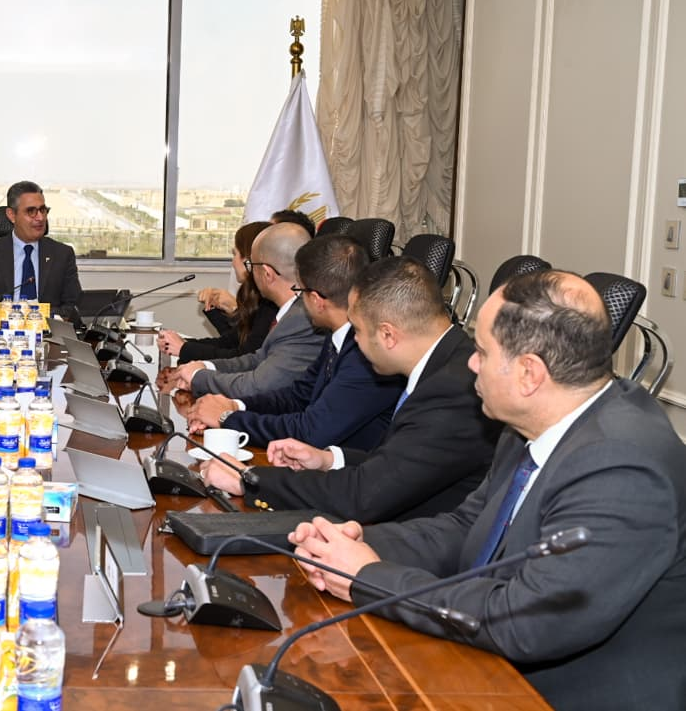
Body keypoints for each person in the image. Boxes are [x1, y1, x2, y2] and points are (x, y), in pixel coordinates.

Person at [287, 270, 686, 710]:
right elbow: (467, 527)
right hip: (490, 662)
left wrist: (367, 577)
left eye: (481, 351)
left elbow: (528, 621)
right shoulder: (531, 424)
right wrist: (351, 544)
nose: (471, 364)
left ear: (529, 374)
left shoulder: (621, 467)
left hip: (558, 694)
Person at [201, 257, 500, 521]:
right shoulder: (445, 361)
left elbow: (364, 495)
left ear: (388, 335)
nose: (353, 341)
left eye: (356, 330)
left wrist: (250, 480)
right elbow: (397, 463)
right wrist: (329, 459)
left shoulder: (452, 391)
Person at [187, 235, 403, 451]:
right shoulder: (337, 335)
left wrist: (227, 418)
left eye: (300, 291)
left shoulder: (366, 354)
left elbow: (310, 431)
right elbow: (297, 396)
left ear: (316, 300)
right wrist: (235, 406)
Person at [169, 223, 322, 400]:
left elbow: (258, 385)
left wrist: (199, 378)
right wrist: (205, 366)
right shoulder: (293, 310)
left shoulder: (302, 318)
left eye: (251, 265)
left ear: (267, 274)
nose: (250, 273)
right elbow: (256, 360)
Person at [157, 221, 276, 362]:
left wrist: (184, 348)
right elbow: (230, 341)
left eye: (235, 254)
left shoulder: (269, 304)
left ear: (248, 260)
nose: (233, 262)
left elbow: (243, 357)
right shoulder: (255, 296)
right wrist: (182, 343)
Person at [0, 181, 82, 311]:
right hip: (3, 322)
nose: (40, 218)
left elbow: (72, 305)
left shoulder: (63, 254)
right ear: (12, 215)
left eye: (43, 210)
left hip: (48, 323)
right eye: (31, 211)